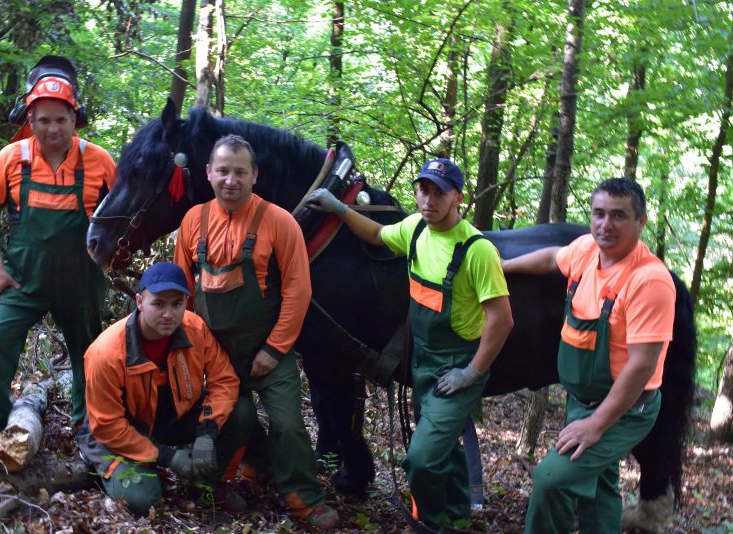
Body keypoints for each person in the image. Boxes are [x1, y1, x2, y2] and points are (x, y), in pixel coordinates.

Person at [306, 158, 514, 530]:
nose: (429, 200)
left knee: (421, 457)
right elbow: (375, 235)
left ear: (457, 198)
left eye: (440, 192)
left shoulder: (477, 250)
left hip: (457, 363)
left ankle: (428, 524)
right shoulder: (416, 229)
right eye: (424, 190)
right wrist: (339, 209)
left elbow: (502, 318)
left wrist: (472, 372)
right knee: (445, 449)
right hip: (422, 361)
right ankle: (457, 515)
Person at [173, 134, 339, 529]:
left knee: (287, 424)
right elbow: (182, 292)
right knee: (234, 414)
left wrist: (274, 348)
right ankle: (229, 476)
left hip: (268, 349)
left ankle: (304, 498)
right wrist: (190, 350)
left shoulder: (280, 222)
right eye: (224, 171)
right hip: (214, 353)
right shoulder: (192, 221)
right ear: (209, 173)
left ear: (255, 175)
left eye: (240, 172)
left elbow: (299, 291)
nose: (231, 180)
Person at [501, 178, 676, 533]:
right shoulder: (585, 251)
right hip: (582, 399)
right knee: (599, 488)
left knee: (551, 478)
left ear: (640, 222)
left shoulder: (649, 281)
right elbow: (552, 257)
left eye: (618, 216)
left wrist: (596, 426)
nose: (605, 225)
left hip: (626, 408)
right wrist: (503, 267)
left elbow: (642, 366)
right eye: (599, 214)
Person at [0, 57, 116, 443]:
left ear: (75, 119)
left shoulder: (99, 161)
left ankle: (89, 427)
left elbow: (122, 217)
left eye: (61, 120)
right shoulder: (11, 158)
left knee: (91, 354)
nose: (53, 128)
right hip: (21, 278)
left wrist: (115, 257)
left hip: (80, 280)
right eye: (44, 120)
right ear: (30, 120)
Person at [77, 262, 255, 516]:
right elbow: (107, 426)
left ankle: (206, 484)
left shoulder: (195, 329)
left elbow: (224, 381)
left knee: (242, 412)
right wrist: (167, 456)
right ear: (139, 301)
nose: (169, 314)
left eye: (177, 304)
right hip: (119, 434)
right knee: (144, 500)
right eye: (158, 304)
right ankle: (103, 468)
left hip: (171, 418)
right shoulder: (105, 353)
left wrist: (207, 432)